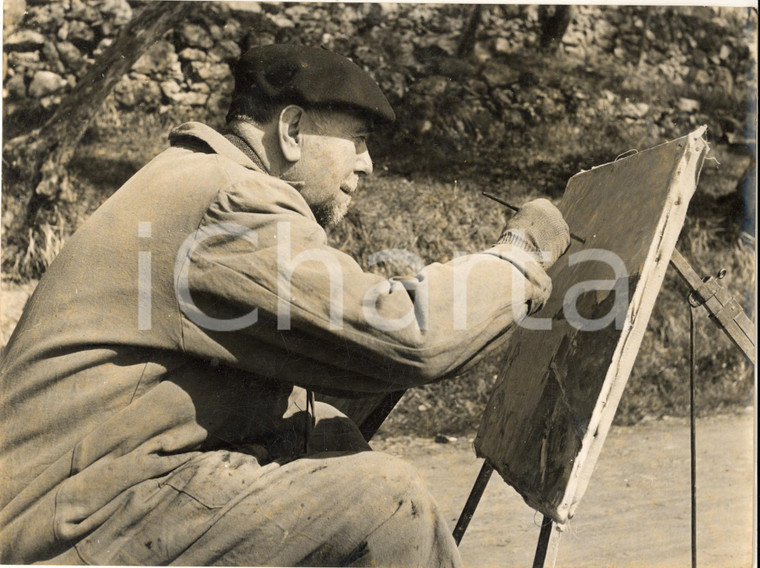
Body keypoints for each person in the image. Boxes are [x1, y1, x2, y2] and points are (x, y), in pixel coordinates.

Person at [0, 44, 570, 566]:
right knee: (387, 505)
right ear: (293, 129)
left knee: (326, 436)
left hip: (78, 498)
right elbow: (408, 335)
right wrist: (518, 256)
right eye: (360, 140)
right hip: (59, 528)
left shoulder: (192, 177)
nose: (368, 166)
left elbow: (339, 347)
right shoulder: (231, 199)